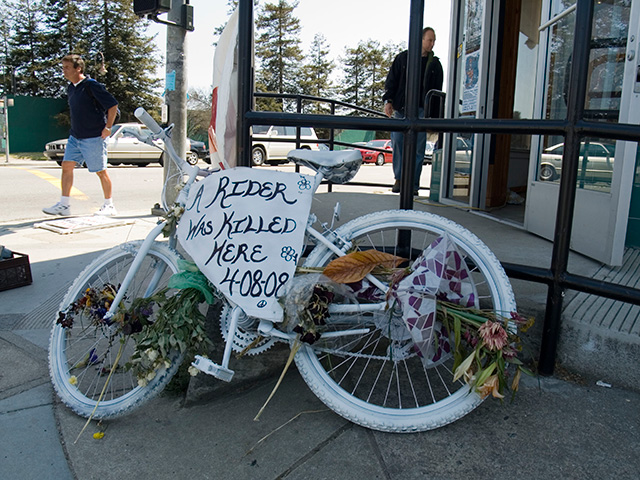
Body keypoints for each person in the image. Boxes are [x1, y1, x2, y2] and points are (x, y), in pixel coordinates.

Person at [43, 54, 119, 216]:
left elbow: (112, 105)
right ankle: (64, 206)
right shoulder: (71, 88)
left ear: (78, 69)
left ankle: (109, 205)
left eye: (67, 68)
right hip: (75, 137)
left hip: (93, 136)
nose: (64, 71)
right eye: (63, 68)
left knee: (101, 171)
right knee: (66, 166)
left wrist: (108, 128)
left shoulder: (91, 85)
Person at [383, 27, 443, 195]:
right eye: (429, 40)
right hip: (402, 108)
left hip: (423, 111)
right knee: (398, 143)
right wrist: (388, 101)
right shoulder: (403, 59)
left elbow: (437, 93)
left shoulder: (435, 64)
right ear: (421, 40)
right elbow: (391, 81)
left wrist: (434, 119)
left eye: (434, 40)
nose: (432, 43)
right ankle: (400, 179)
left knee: (418, 149)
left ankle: (413, 185)